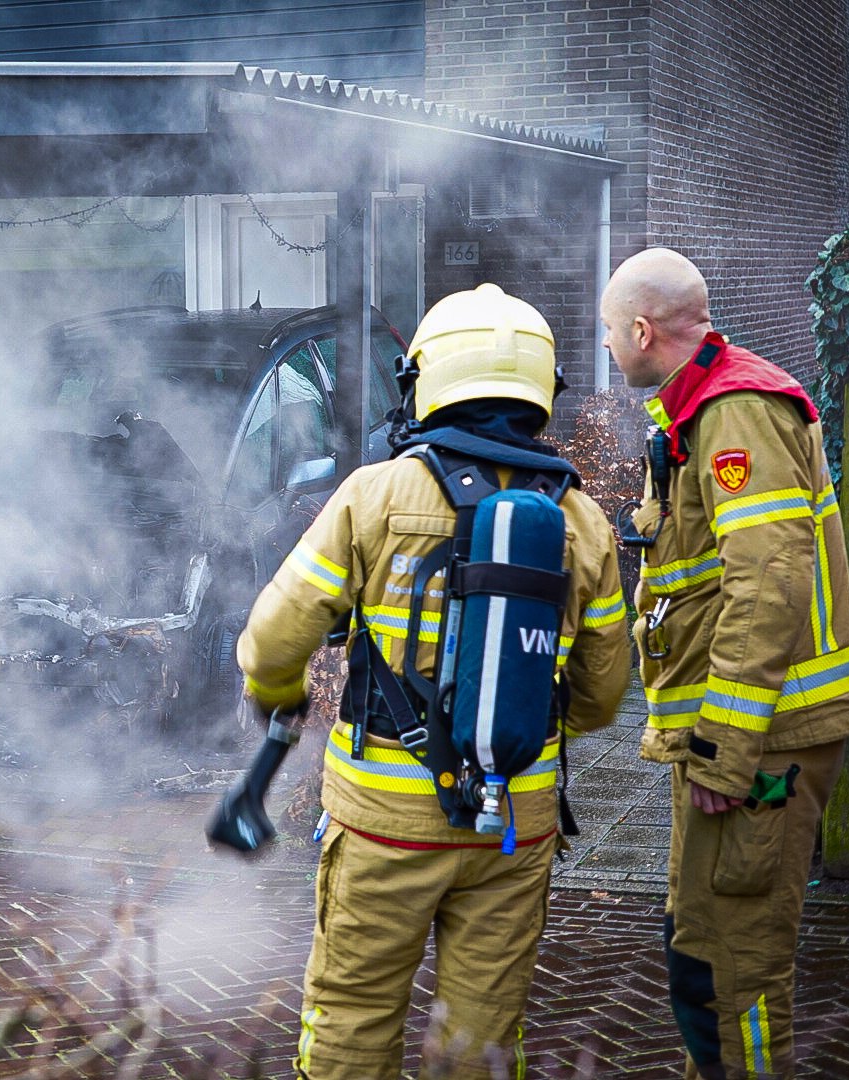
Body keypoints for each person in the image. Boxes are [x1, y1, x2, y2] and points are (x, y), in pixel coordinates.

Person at [237, 283, 630, 1079]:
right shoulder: (582, 520)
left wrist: (278, 704)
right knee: (480, 1039)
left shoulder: (372, 497)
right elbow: (603, 692)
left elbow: (270, 642)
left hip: (383, 824)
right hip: (513, 826)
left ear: (424, 384)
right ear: (541, 396)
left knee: (353, 1020)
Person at [601, 247, 849, 1079]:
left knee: (737, 965)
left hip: (761, 747)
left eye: (612, 333)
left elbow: (769, 587)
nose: (610, 349)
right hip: (741, 744)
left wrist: (723, 748)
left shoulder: (736, 415)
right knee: (701, 943)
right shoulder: (697, 412)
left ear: (642, 331)